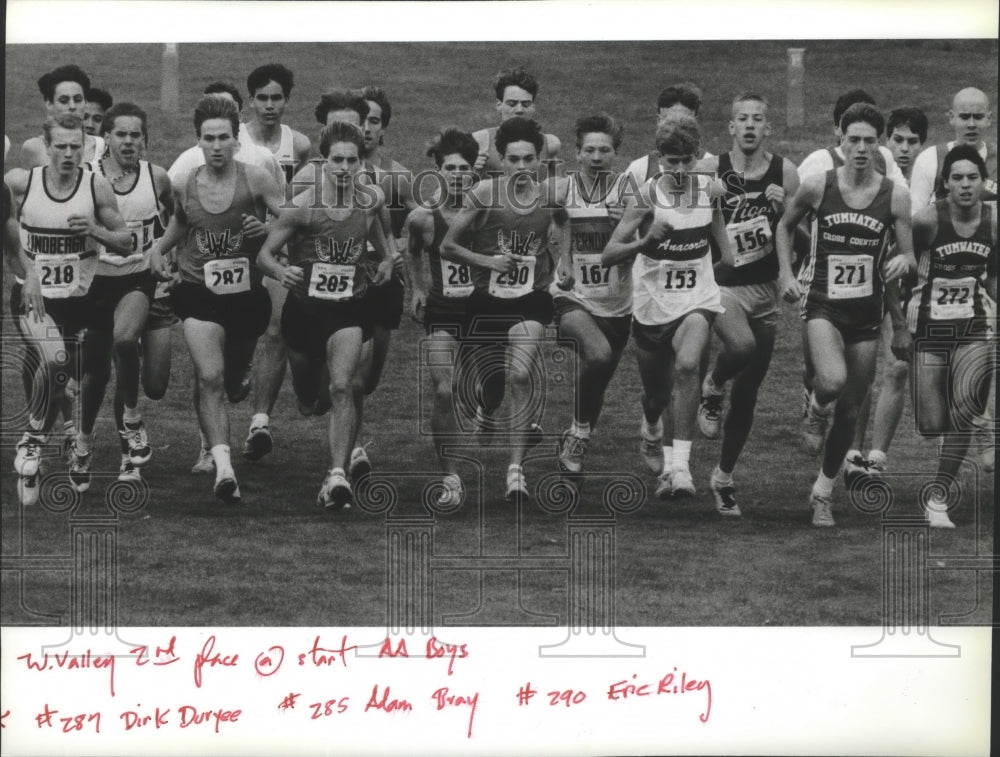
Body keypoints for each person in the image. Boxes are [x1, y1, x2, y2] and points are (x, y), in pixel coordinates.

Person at [776, 103, 916, 527]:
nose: (860, 148)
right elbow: (785, 227)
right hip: (821, 303)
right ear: (839, 138)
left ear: (879, 145)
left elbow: (909, 251)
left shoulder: (896, 194)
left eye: (869, 141)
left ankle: (823, 492)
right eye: (852, 139)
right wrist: (786, 273)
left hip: (867, 314)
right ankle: (816, 407)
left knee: (853, 411)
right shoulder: (819, 185)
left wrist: (904, 262)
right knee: (833, 381)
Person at [149, 95, 284, 503]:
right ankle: (222, 465)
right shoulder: (185, 182)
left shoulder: (257, 180)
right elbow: (179, 223)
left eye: (224, 137)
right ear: (198, 141)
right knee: (209, 376)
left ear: (236, 141)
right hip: (197, 294)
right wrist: (158, 250)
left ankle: (235, 385)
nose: (217, 146)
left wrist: (263, 233)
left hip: (245, 299)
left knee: (229, 381)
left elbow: (291, 223)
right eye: (209, 138)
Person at [256, 121, 393, 509]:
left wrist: (384, 264)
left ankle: (336, 477)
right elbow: (264, 255)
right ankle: (323, 422)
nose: (346, 168)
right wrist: (283, 272)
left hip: (349, 310)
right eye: (338, 160)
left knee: (342, 387)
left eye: (352, 160)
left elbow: (382, 247)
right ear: (323, 162)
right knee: (309, 402)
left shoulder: (369, 202)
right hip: (305, 312)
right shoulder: (303, 207)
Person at [603, 115, 733, 499]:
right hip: (651, 306)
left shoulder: (710, 191)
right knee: (657, 396)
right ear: (659, 160)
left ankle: (680, 468)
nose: (678, 169)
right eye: (670, 161)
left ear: (696, 158)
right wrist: (644, 244)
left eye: (686, 161)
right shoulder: (646, 196)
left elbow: (724, 250)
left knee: (690, 366)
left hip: (696, 301)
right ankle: (652, 426)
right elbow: (610, 253)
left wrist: (710, 276)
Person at [7, 114, 132, 502]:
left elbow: (126, 242)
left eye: (75, 146)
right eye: (60, 146)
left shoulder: (96, 187)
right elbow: (9, 243)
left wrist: (94, 230)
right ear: (45, 147)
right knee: (54, 357)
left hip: (80, 301)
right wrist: (28, 273)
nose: (68, 153)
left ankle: (40, 446)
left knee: (77, 373)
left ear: (85, 147)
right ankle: (33, 438)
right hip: (33, 298)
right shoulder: (21, 184)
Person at [441, 116, 562, 501]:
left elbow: (563, 222)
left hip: (532, 299)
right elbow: (448, 247)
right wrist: (489, 262)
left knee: (521, 374)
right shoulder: (484, 195)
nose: (522, 167)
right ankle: (487, 410)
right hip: (487, 300)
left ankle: (515, 471)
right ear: (501, 160)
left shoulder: (549, 195)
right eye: (514, 159)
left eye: (529, 159)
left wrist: (568, 262)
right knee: (490, 387)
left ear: (540, 159)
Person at [695, 93, 799, 516]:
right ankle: (713, 385)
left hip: (765, 290)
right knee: (741, 348)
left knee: (750, 394)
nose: (751, 125)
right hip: (722, 286)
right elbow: (685, 224)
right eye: (743, 119)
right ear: (731, 128)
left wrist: (784, 209)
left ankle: (723, 478)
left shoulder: (784, 172)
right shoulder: (710, 169)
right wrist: (709, 200)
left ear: (768, 128)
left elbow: (800, 238)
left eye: (759, 119)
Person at [905, 144, 996, 527]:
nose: (964, 185)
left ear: (983, 182)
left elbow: (995, 272)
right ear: (945, 184)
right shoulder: (927, 221)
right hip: (928, 324)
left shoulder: (993, 222)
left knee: (966, 408)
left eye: (972, 178)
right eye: (957, 178)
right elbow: (901, 263)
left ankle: (939, 497)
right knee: (930, 423)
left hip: (974, 323)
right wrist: (900, 317)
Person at [86, 102, 173, 482]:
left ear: (145, 140)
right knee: (93, 373)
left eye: (135, 135)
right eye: (120, 133)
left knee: (133, 355)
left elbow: (178, 219)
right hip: (94, 284)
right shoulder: (87, 178)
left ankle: (131, 430)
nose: (128, 141)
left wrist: (164, 252)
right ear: (105, 137)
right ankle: (100, 446)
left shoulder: (158, 178)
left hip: (139, 279)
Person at [843, 106, 929, 486]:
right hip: (866, 284)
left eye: (913, 141)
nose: (905, 148)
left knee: (897, 366)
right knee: (860, 370)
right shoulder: (877, 179)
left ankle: (877, 457)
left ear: (923, 145)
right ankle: (852, 452)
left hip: (907, 285)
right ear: (886, 142)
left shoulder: (925, 186)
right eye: (898, 140)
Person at [550, 114, 633, 474]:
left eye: (605, 150)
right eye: (589, 150)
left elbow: (648, 247)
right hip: (573, 295)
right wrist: (562, 260)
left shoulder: (629, 193)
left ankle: (577, 436)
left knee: (597, 381)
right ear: (577, 153)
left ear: (616, 154)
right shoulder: (561, 189)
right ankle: (580, 431)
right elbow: (553, 225)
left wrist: (624, 228)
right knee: (597, 356)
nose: (597, 156)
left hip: (617, 302)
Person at [238, 64, 312, 463]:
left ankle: (260, 421)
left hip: (276, 247)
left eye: (277, 97)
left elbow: (299, 201)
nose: (270, 105)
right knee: (244, 332)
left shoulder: (298, 145)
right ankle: (239, 374)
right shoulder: (233, 140)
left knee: (274, 330)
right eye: (262, 98)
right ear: (250, 101)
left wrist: (277, 231)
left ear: (287, 100)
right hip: (234, 249)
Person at [407, 128, 479, 506]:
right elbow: (413, 251)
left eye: (463, 168)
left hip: (482, 311)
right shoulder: (423, 217)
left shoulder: (486, 211)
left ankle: (479, 409)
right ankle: (449, 476)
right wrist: (418, 288)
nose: (456, 174)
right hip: (443, 311)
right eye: (449, 167)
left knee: (479, 392)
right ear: (437, 170)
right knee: (442, 389)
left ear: (473, 170)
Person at [909, 87, 996, 209]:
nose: (971, 124)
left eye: (978, 117)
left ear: (989, 119)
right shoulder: (930, 158)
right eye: (964, 117)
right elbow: (915, 217)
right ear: (952, 118)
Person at [471, 68, 561, 180]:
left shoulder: (550, 145)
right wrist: (470, 171)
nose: (519, 110)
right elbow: (454, 190)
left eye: (526, 104)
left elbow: (558, 191)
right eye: (512, 104)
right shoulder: (479, 142)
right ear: (499, 105)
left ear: (533, 106)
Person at [19, 65, 106, 168]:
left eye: (78, 100)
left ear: (85, 102)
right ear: (49, 103)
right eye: (64, 101)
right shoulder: (34, 148)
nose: (72, 106)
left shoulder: (102, 147)